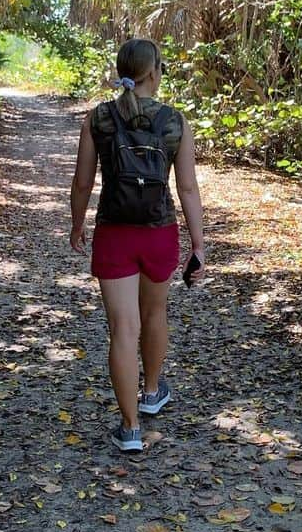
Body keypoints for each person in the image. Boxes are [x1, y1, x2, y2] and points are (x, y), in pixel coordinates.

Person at [69, 37, 206, 452]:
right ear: (153, 73)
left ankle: (129, 428)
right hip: (158, 231)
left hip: (114, 234)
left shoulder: (98, 119)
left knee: (122, 329)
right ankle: (151, 392)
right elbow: (187, 188)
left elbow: (81, 182)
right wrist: (198, 244)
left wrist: (78, 226)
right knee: (155, 311)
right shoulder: (175, 122)